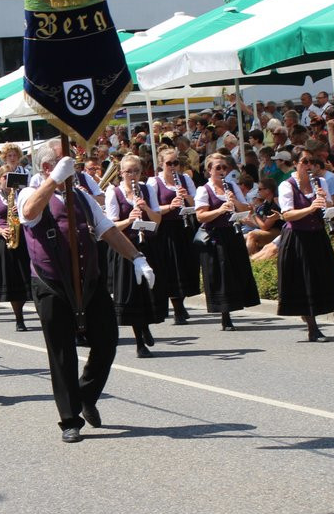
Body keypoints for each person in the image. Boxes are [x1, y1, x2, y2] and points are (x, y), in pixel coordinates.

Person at [18, 151, 154, 443]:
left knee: (106, 340)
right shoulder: (30, 192)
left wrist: (137, 258)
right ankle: (69, 419)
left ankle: (86, 394)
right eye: (62, 163)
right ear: (46, 167)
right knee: (62, 351)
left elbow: (106, 230)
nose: (73, 168)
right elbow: (29, 213)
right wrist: (54, 180)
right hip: (51, 282)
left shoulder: (81, 196)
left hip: (89, 281)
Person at [277, 149, 334, 342]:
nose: (309, 166)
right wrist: (311, 207)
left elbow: (328, 208)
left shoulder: (320, 182)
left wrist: (325, 203)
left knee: (319, 278)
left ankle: (312, 321)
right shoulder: (286, 185)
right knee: (304, 282)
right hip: (297, 238)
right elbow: (287, 215)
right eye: (304, 162)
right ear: (296, 163)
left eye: (312, 162)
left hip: (317, 236)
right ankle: (313, 328)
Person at [105, 153, 162, 357]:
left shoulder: (147, 189)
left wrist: (145, 207)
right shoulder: (114, 192)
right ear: (121, 173)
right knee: (133, 295)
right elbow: (111, 226)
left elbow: (157, 221)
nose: (132, 175)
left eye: (136, 171)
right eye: (128, 171)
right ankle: (139, 343)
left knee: (148, 292)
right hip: (125, 248)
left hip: (146, 244)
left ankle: (145, 326)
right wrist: (129, 220)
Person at [194, 153, 260, 330]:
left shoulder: (231, 187)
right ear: (209, 170)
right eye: (218, 168)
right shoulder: (204, 190)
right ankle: (225, 315)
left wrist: (234, 201)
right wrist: (220, 210)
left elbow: (245, 209)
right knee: (222, 274)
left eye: (224, 167)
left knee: (236, 270)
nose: (222, 171)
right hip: (215, 236)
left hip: (233, 233)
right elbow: (201, 216)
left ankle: (236, 305)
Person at [146, 147, 200, 325]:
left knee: (186, 265)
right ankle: (177, 308)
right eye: (169, 163)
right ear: (161, 165)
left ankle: (181, 303)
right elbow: (151, 209)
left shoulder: (185, 179)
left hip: (184, 227)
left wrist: (187, 198)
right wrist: (170, 206)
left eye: (176, 163)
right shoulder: (153, 182)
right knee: (171, 267)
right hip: (165, 230)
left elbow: (198, 204)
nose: (173, 167)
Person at [0, 170, 32, 331]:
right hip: (5, 240)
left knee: (25, 279)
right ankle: (19, 319)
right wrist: (1, 231)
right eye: (4, 177)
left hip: (23, 238)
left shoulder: (22, 196)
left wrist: (20, 213)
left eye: (10, 177)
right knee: (12, 282)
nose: (7, 180)